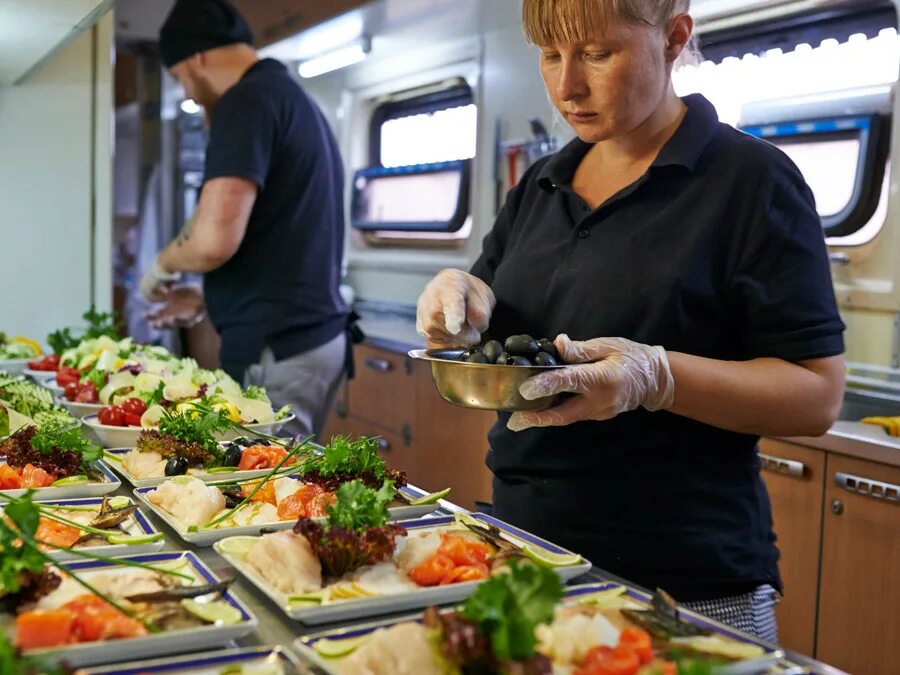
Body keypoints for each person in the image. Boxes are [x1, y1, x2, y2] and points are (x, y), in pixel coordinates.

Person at [416, 0, 846, 642]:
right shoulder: (540, 184)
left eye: (597, 54)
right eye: (551, 54)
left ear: (674, 38)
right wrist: (456, 304)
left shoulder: (752, 182)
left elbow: (816, 395)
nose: (568, 86)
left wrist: (658, 377)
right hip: (528, 558)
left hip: (682, 587)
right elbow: (486, 330)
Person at [141, 0, 350, 438]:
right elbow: (274, 237)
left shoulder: (245, 101)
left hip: (281, 348)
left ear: (197, 56)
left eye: (179, 77)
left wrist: (162, 263)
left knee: (261, 493)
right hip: (305, 339)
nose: (187, 93)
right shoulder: (288, 97)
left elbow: (214, 239)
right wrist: (210, 297)